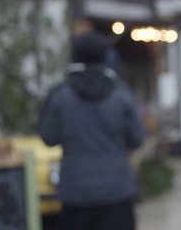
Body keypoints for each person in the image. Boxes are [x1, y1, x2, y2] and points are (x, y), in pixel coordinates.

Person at [38, 30, 145, 230]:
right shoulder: (121, 92)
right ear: (105, 56)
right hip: (117, 189)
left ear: (75, 56)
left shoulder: (60, 94)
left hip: (75, 191)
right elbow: (137, 138)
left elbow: (48, 136)